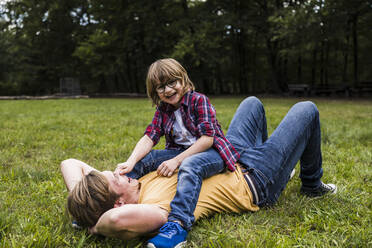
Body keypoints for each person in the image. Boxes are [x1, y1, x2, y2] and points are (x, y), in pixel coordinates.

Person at [62, 97, 337, 248]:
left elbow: (70, 163)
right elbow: (117, 220)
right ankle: (312, 185)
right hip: (254, 180)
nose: (119, 171)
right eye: (115, 178)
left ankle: (275, 158)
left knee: (252, 103)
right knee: (307, 109)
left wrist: (83, 203)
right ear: (118, 202)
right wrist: (95, 226)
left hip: (228, 155)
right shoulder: (153, 210)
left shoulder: (135, 183)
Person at [114, 58, 239, 247]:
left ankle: (177, 225)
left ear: (183, 79)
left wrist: (177, 161)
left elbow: (207, 139)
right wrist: (131, 161)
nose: (168, 90)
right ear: (155, 91)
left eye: (172, 82)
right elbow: (150, 136)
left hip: (211, 152)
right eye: (160, 87)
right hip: (179, 151)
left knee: (189, 165)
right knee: (145, 159)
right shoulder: (163, 108)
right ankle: (117, 200)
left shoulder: (199, 100)